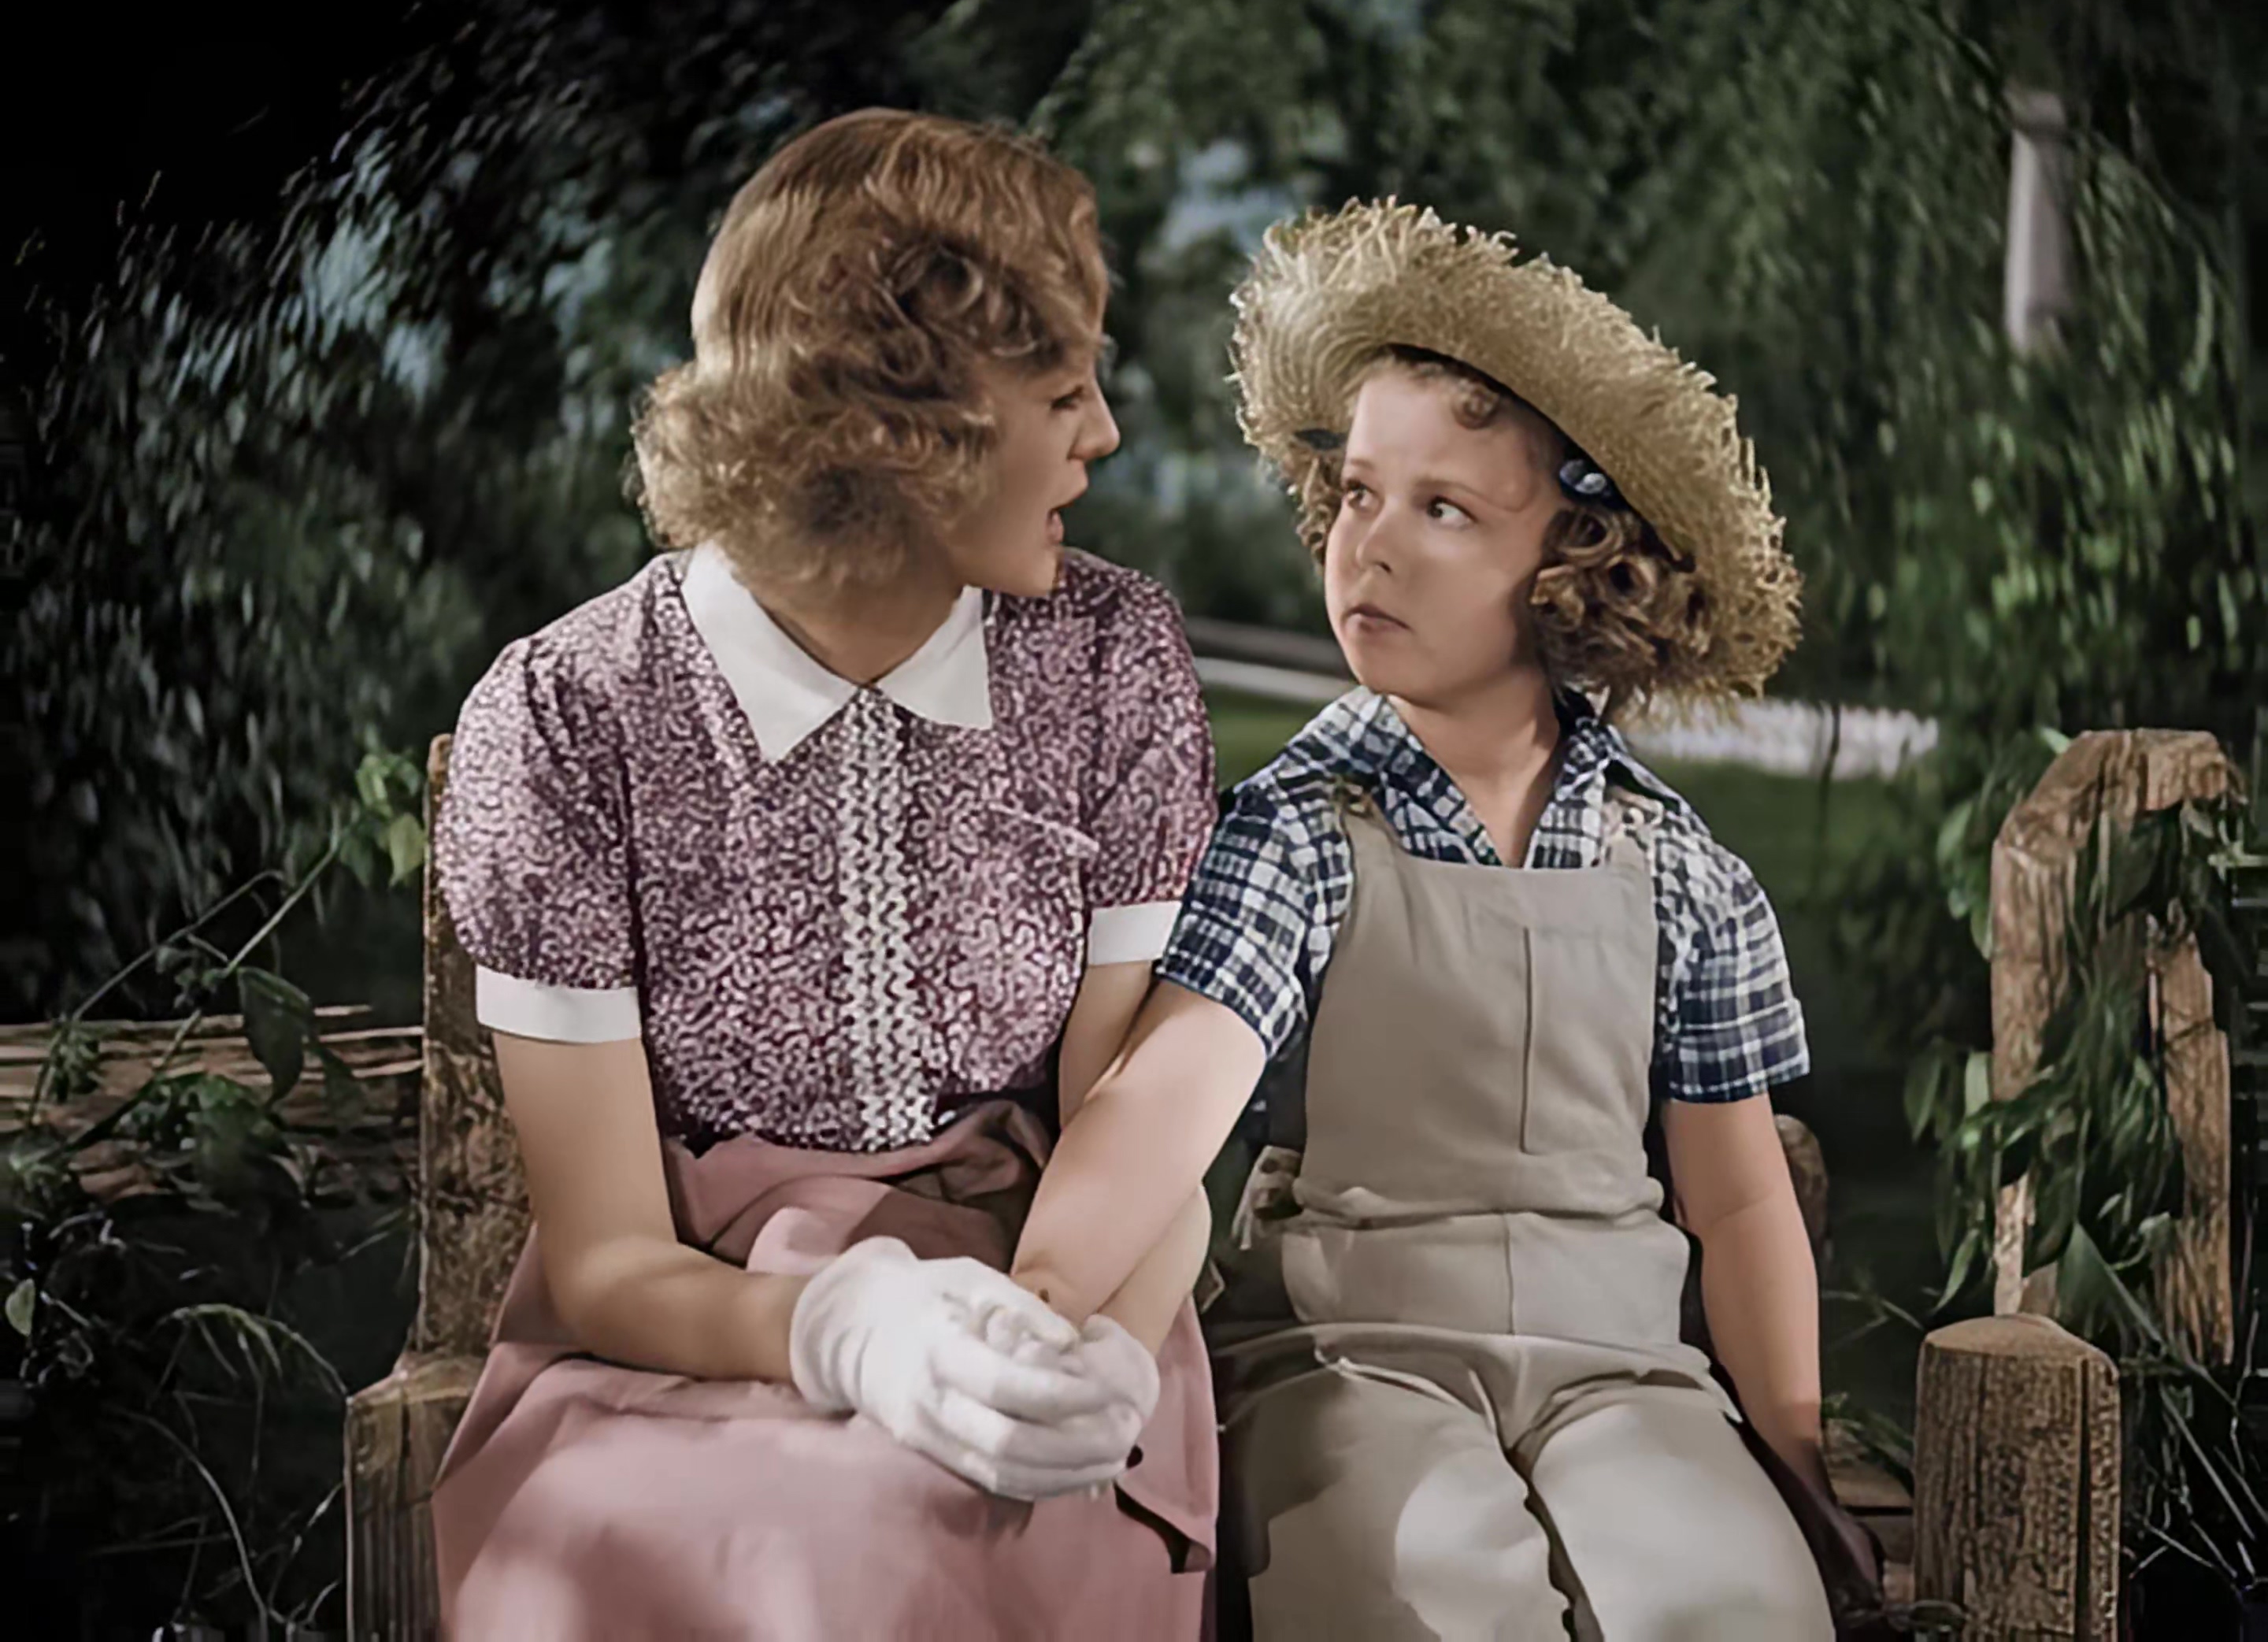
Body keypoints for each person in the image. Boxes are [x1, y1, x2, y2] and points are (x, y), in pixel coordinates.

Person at [1006, 199, 1884, 1639]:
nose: (1373, 547)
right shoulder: (1300, 830)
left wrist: (1793, 1452)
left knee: (1730, 1605)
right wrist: (1041, 1300)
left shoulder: (1681, 869)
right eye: (1358, 494)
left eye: (1445, 511)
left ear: (1580, 564)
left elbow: (1736, 1198)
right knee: (1413, 1597)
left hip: (1625, 1374)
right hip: (1353, 1357)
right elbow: (1168, 1093)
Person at [424, 109, 1220, 1640]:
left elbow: (1138, 1131)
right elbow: (605, 1261)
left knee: (923, 1528)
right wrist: (846, 1334)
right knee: (791, 1555)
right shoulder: (572, 716)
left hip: (1046, 1292)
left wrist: (1094, 1354)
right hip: (681, 1347)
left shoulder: (1111, 661)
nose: (1105, 435)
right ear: (900, 428)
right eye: (1062, 391)